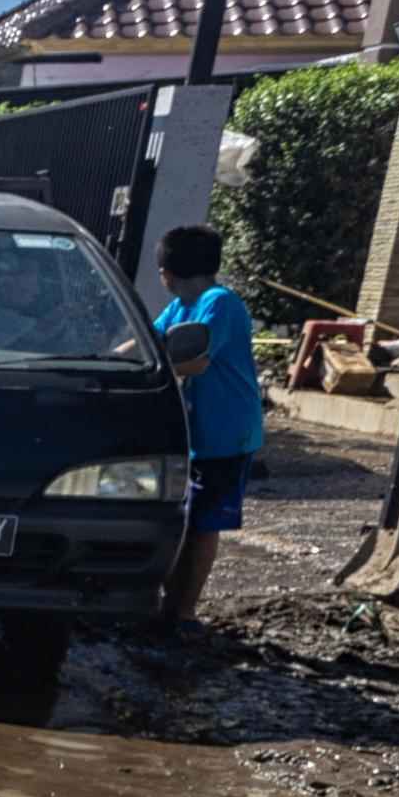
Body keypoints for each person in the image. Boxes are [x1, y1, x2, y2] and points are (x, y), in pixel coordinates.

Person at [151, 220, 264, 628]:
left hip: (226, 434)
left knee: (203, 524)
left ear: (166, 272)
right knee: (182, 519)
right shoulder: (181, 306)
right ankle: (167, 604)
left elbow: (195, 361)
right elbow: (150, 342)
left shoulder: (220, 303)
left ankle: (184, 613)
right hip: (195, 434)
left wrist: (145, 372)